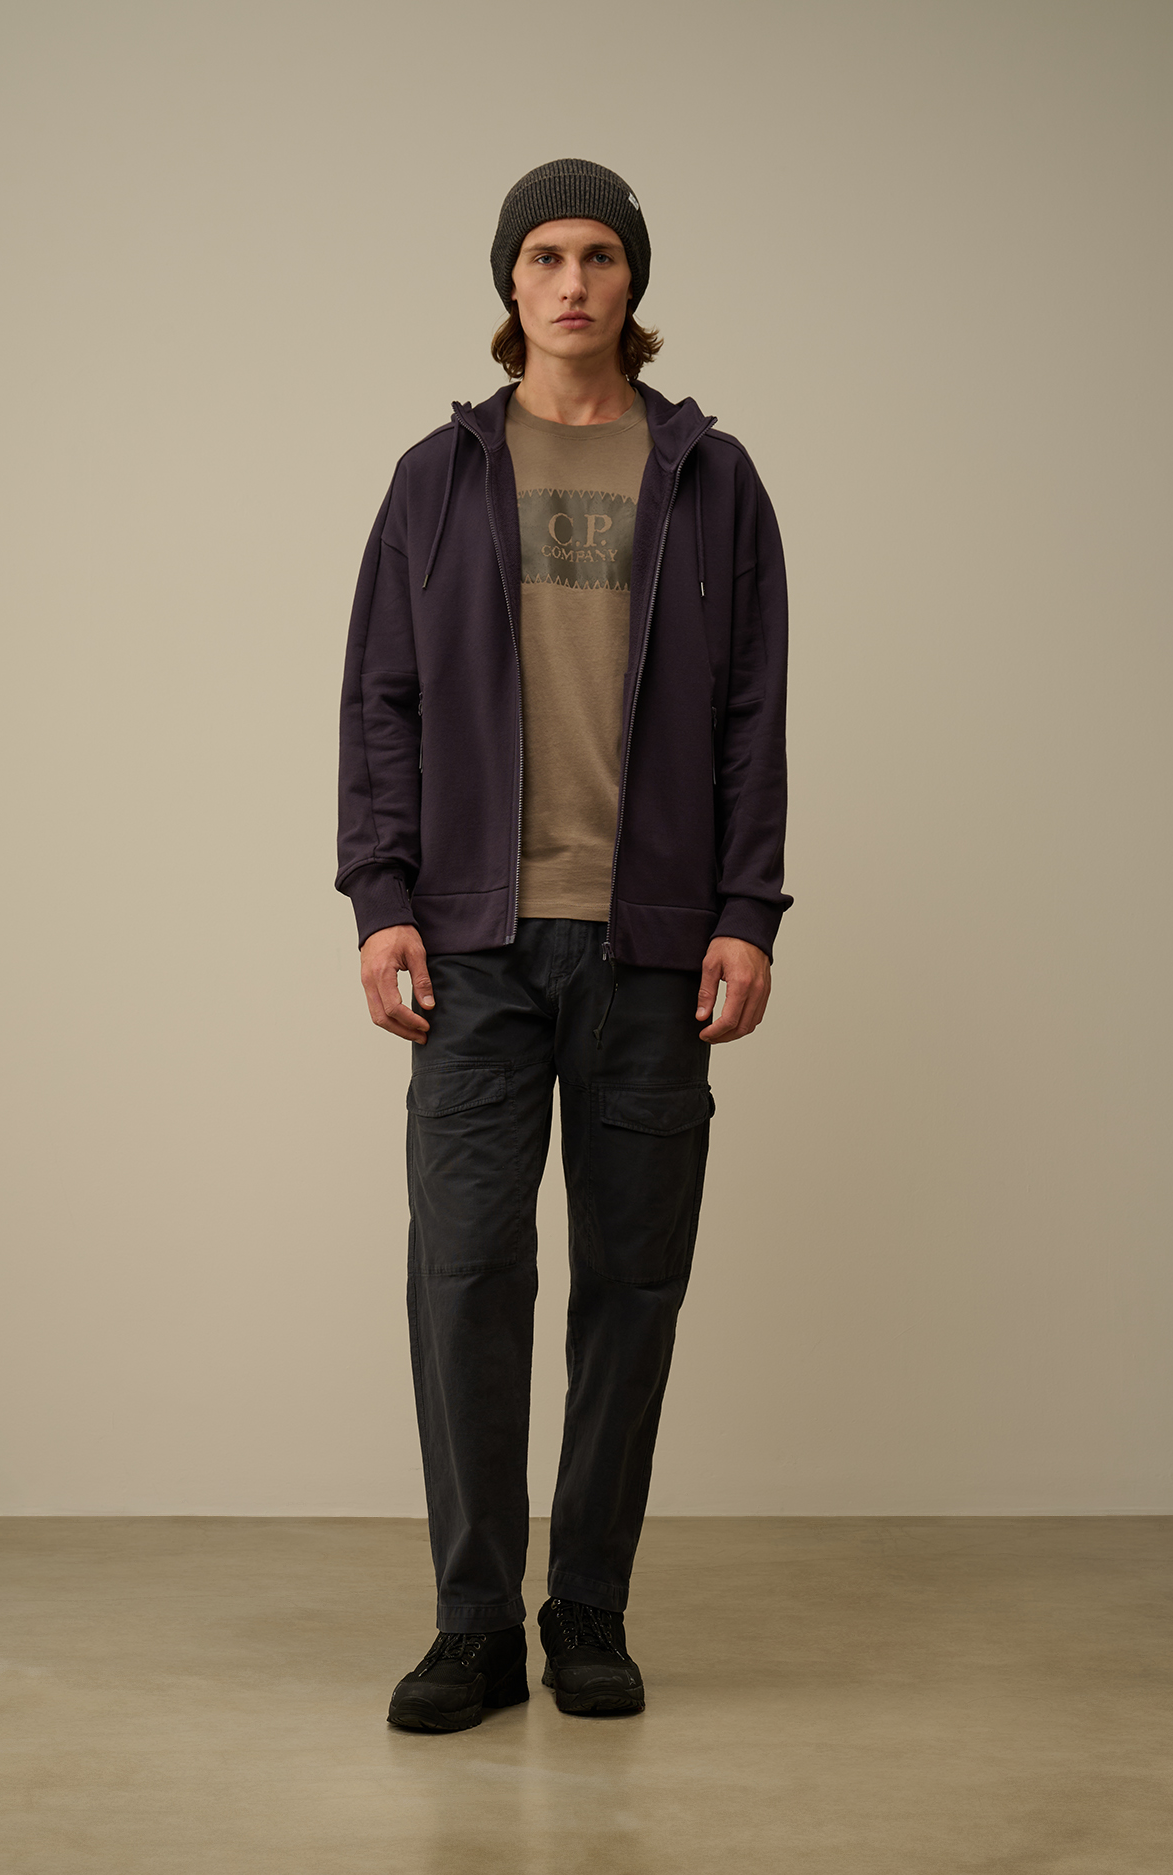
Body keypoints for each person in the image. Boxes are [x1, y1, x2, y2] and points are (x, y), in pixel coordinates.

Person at [336, 158, 790, 1732]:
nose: (573, 280)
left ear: (632, 281)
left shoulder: (712, 480)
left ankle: (586, 1608)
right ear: (510, 283)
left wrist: (746, 913)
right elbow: (380, 701)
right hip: (474, 945)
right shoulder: (437, 479)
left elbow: (754, 714)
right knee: (465, 1274)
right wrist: (381, 899)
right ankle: (471, 1625)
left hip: (652, 947)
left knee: (632, 1285)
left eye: (599, 254)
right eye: (545, 255)